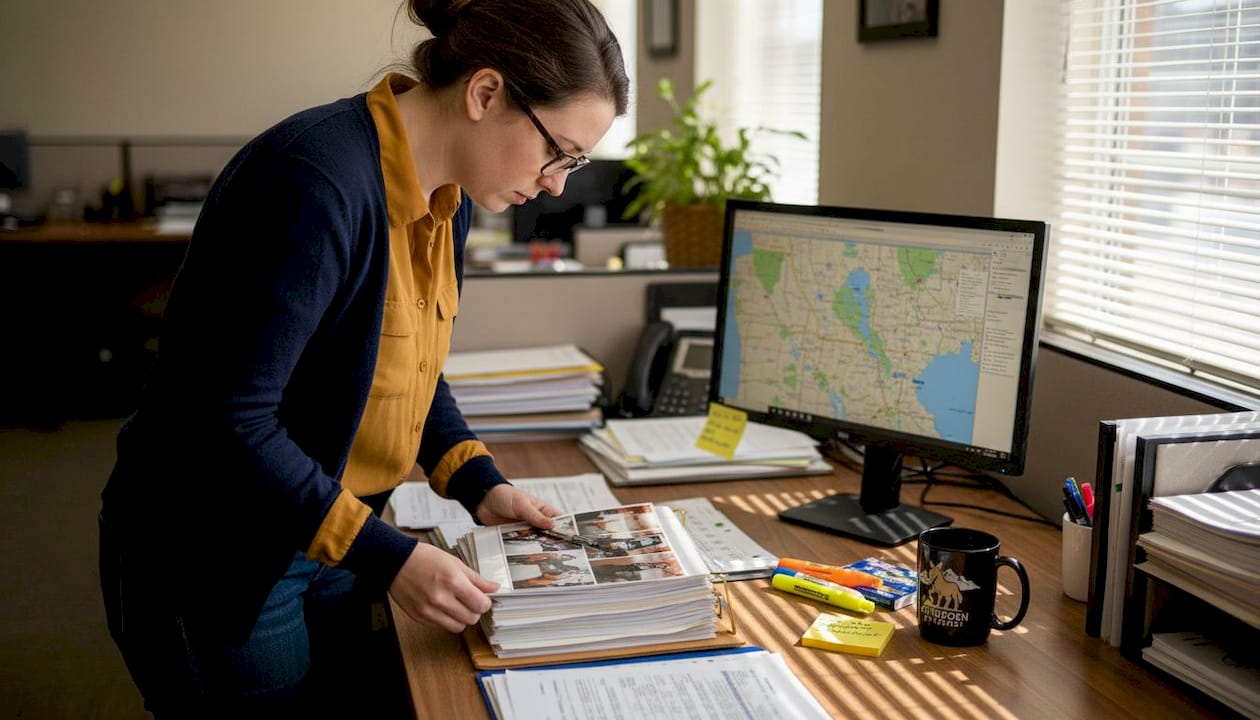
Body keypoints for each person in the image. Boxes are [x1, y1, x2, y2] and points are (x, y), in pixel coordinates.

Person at [97, 0, 629, 716]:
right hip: (226, 549)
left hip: (331, 530)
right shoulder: (313, 183)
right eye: (558, 152)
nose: (559, 182)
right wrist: (388, 557)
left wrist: (479, 484)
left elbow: (409, 366)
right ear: (485, 93)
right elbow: (226, 422)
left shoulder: (453, 195)